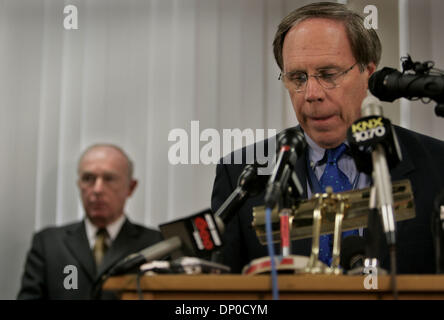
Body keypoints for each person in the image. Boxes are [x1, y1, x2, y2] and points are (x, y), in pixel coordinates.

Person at [211, 2, 444, 274]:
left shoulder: (437, 165)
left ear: (368, 73)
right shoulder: (240, 172)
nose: (311, 93)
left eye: (328, 75)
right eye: (297, 77)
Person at [17, 144, 162, 299]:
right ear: (79, 185)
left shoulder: (157, 245)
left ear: (131, 187)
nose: (97, 189)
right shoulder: (48, 243)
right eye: (88, 179)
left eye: (109, 179)